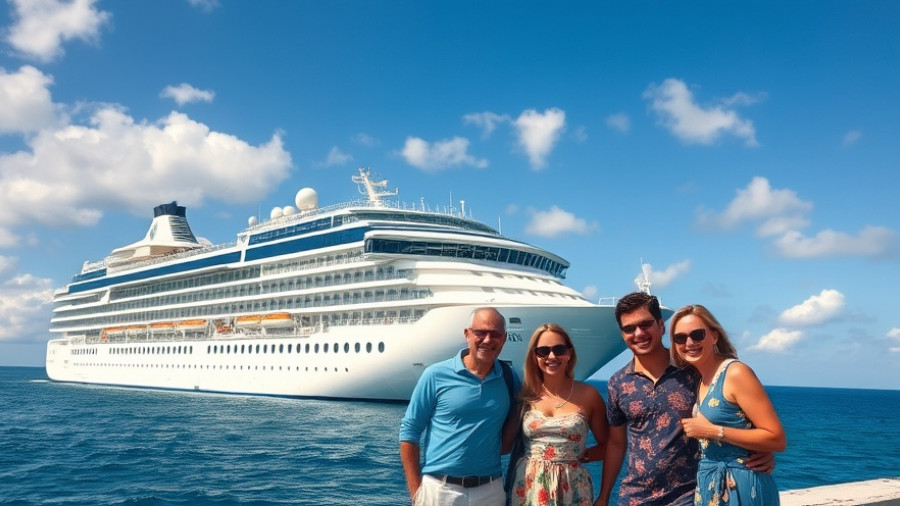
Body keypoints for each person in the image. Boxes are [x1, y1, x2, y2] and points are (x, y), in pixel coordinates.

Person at [598, 292, 774, 506]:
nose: (639, 333)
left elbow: (745, 415)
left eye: (646, 324)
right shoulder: (618, 382)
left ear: (661, 325)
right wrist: (604, 496)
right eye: (629, 328)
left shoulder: (694, 370)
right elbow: (616, 443)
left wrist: (763, 451)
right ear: (622, 333)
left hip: (688, 496)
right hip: (634, 498)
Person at [670, 304, 786, 505]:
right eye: (680, 338)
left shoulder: (735, 373)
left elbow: (776, 438)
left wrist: (714, 431)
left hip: (741, 487)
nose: (689, 343)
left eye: (697, 334)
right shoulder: (700, 380)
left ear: (714, 336)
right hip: (711, 485)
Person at [400, 307, 517, 506]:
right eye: (480, 333)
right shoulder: (435, 375)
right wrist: (416, 493)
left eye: (495, 334)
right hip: (441, 490)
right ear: (467, 334)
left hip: (491, 491)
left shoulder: (510, 377)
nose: (487, 340)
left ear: (504, 339)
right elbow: (410, 430)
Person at [503, 323, 608, 506]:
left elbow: (609, 445)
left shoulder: (589, 395)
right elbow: (504, 445)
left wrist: (577, 456)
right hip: (529, 486)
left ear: (569, 354)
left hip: (572, 486)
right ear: (534, 356)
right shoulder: (525, 396)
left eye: (559, 350)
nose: (551, 356)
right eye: (543, 351)